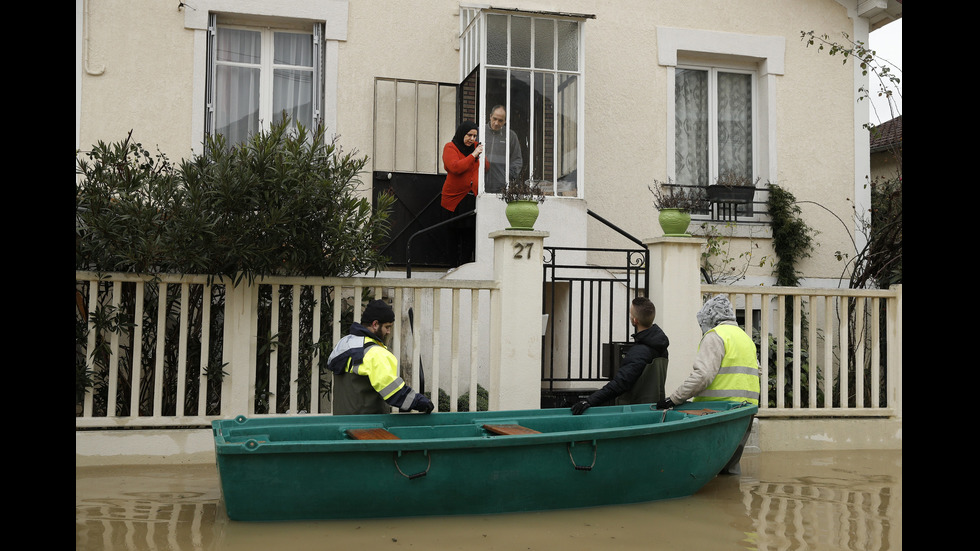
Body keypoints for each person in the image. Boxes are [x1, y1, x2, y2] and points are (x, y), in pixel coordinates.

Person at [656, 294, 760, 474]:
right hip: (746, 410)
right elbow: (757, 370)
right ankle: (733, 499)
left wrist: (673, 399)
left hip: (720, 411)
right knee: (730, 466)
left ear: (708, 317)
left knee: (710, 467)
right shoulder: (745, 338)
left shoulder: (715, 336)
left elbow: (703, 376)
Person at [327, 299, 434, 415]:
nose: (388, 332)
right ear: (375, 324)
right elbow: (394, 393)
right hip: (367, 426)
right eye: (387, 327)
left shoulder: (345, 344)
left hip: (341, 421)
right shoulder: (375, 353)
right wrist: (422, 402)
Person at [570, 297, 670, 415]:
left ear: (635, 320)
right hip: (653, 410)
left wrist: (589, 401)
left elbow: (619, 384)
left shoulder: (640, 352)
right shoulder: (661, 347)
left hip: (634, 413)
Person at [440, 121, 483, 213]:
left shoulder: (476, 147)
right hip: (454, 199)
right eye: (469, 135)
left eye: (474, 136)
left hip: (473, 197)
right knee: (452, 226)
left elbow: (486, 166)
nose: (472, 139)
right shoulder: (450, 147)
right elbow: (455, 168)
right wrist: (473, 155)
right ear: (462, 133)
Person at [483, 105, 523, 193]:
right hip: (480, 185)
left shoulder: (511, 136)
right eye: (494, 119)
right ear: (490, 116)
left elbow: (517, 160)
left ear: (505, 121)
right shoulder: (480, 132)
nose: (496, 123)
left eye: (500, 120)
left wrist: (507, 176)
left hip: (501, 188)